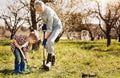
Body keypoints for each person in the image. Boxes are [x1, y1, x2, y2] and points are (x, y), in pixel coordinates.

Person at [34, 1, 62, 71]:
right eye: (37, 10)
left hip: (56, 27)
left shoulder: (49, 12)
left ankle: (48, 61)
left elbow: (49, 30)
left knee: (50, 41)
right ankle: (53, 59)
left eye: (40, 10)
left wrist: (45, 39)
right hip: (50, 27)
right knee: (46, 45)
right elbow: (45, 22)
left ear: (43, 6)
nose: (39, 11)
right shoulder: (40, 12)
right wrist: (44, 25)